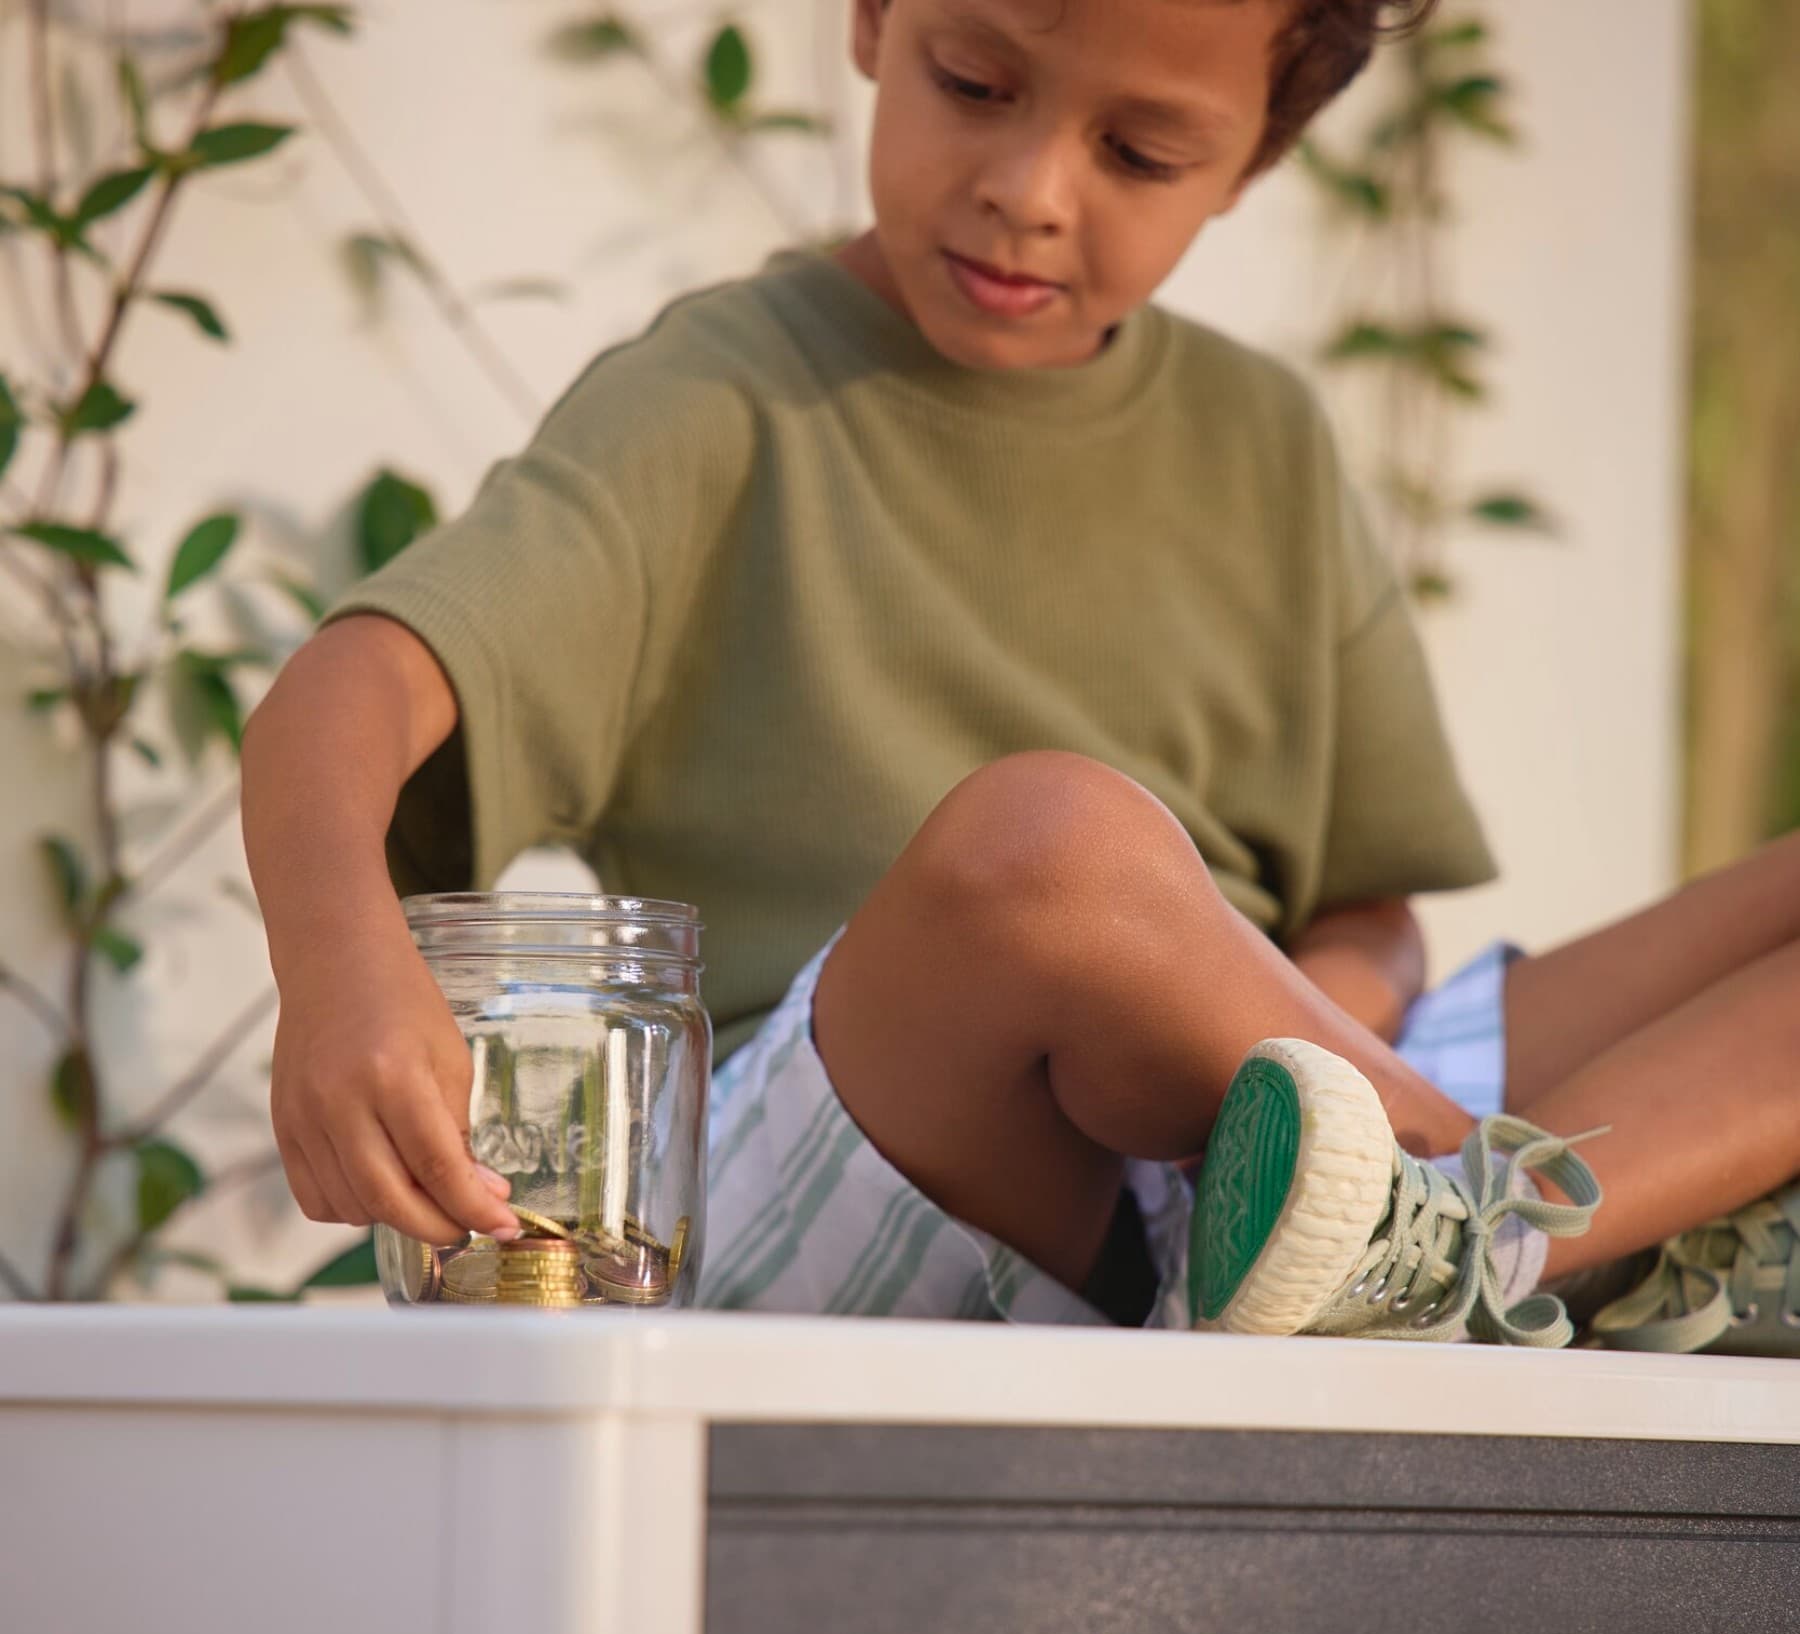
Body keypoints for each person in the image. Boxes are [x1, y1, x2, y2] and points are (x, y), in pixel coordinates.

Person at [240, 0, 1800, 1354]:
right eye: (976, 85)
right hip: (869, 1167)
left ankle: (1470, 1243)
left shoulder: (1264, 445)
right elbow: (351, 690)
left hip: (1253, 1163)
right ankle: (1503, 1221)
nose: (1028, 192)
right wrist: (336, 972)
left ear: (1255, 156)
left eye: (1140, 154)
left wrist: (1302, 1075)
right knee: (1049, 845)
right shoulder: (716, 403)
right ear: (870, 19)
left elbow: (1368, 912)